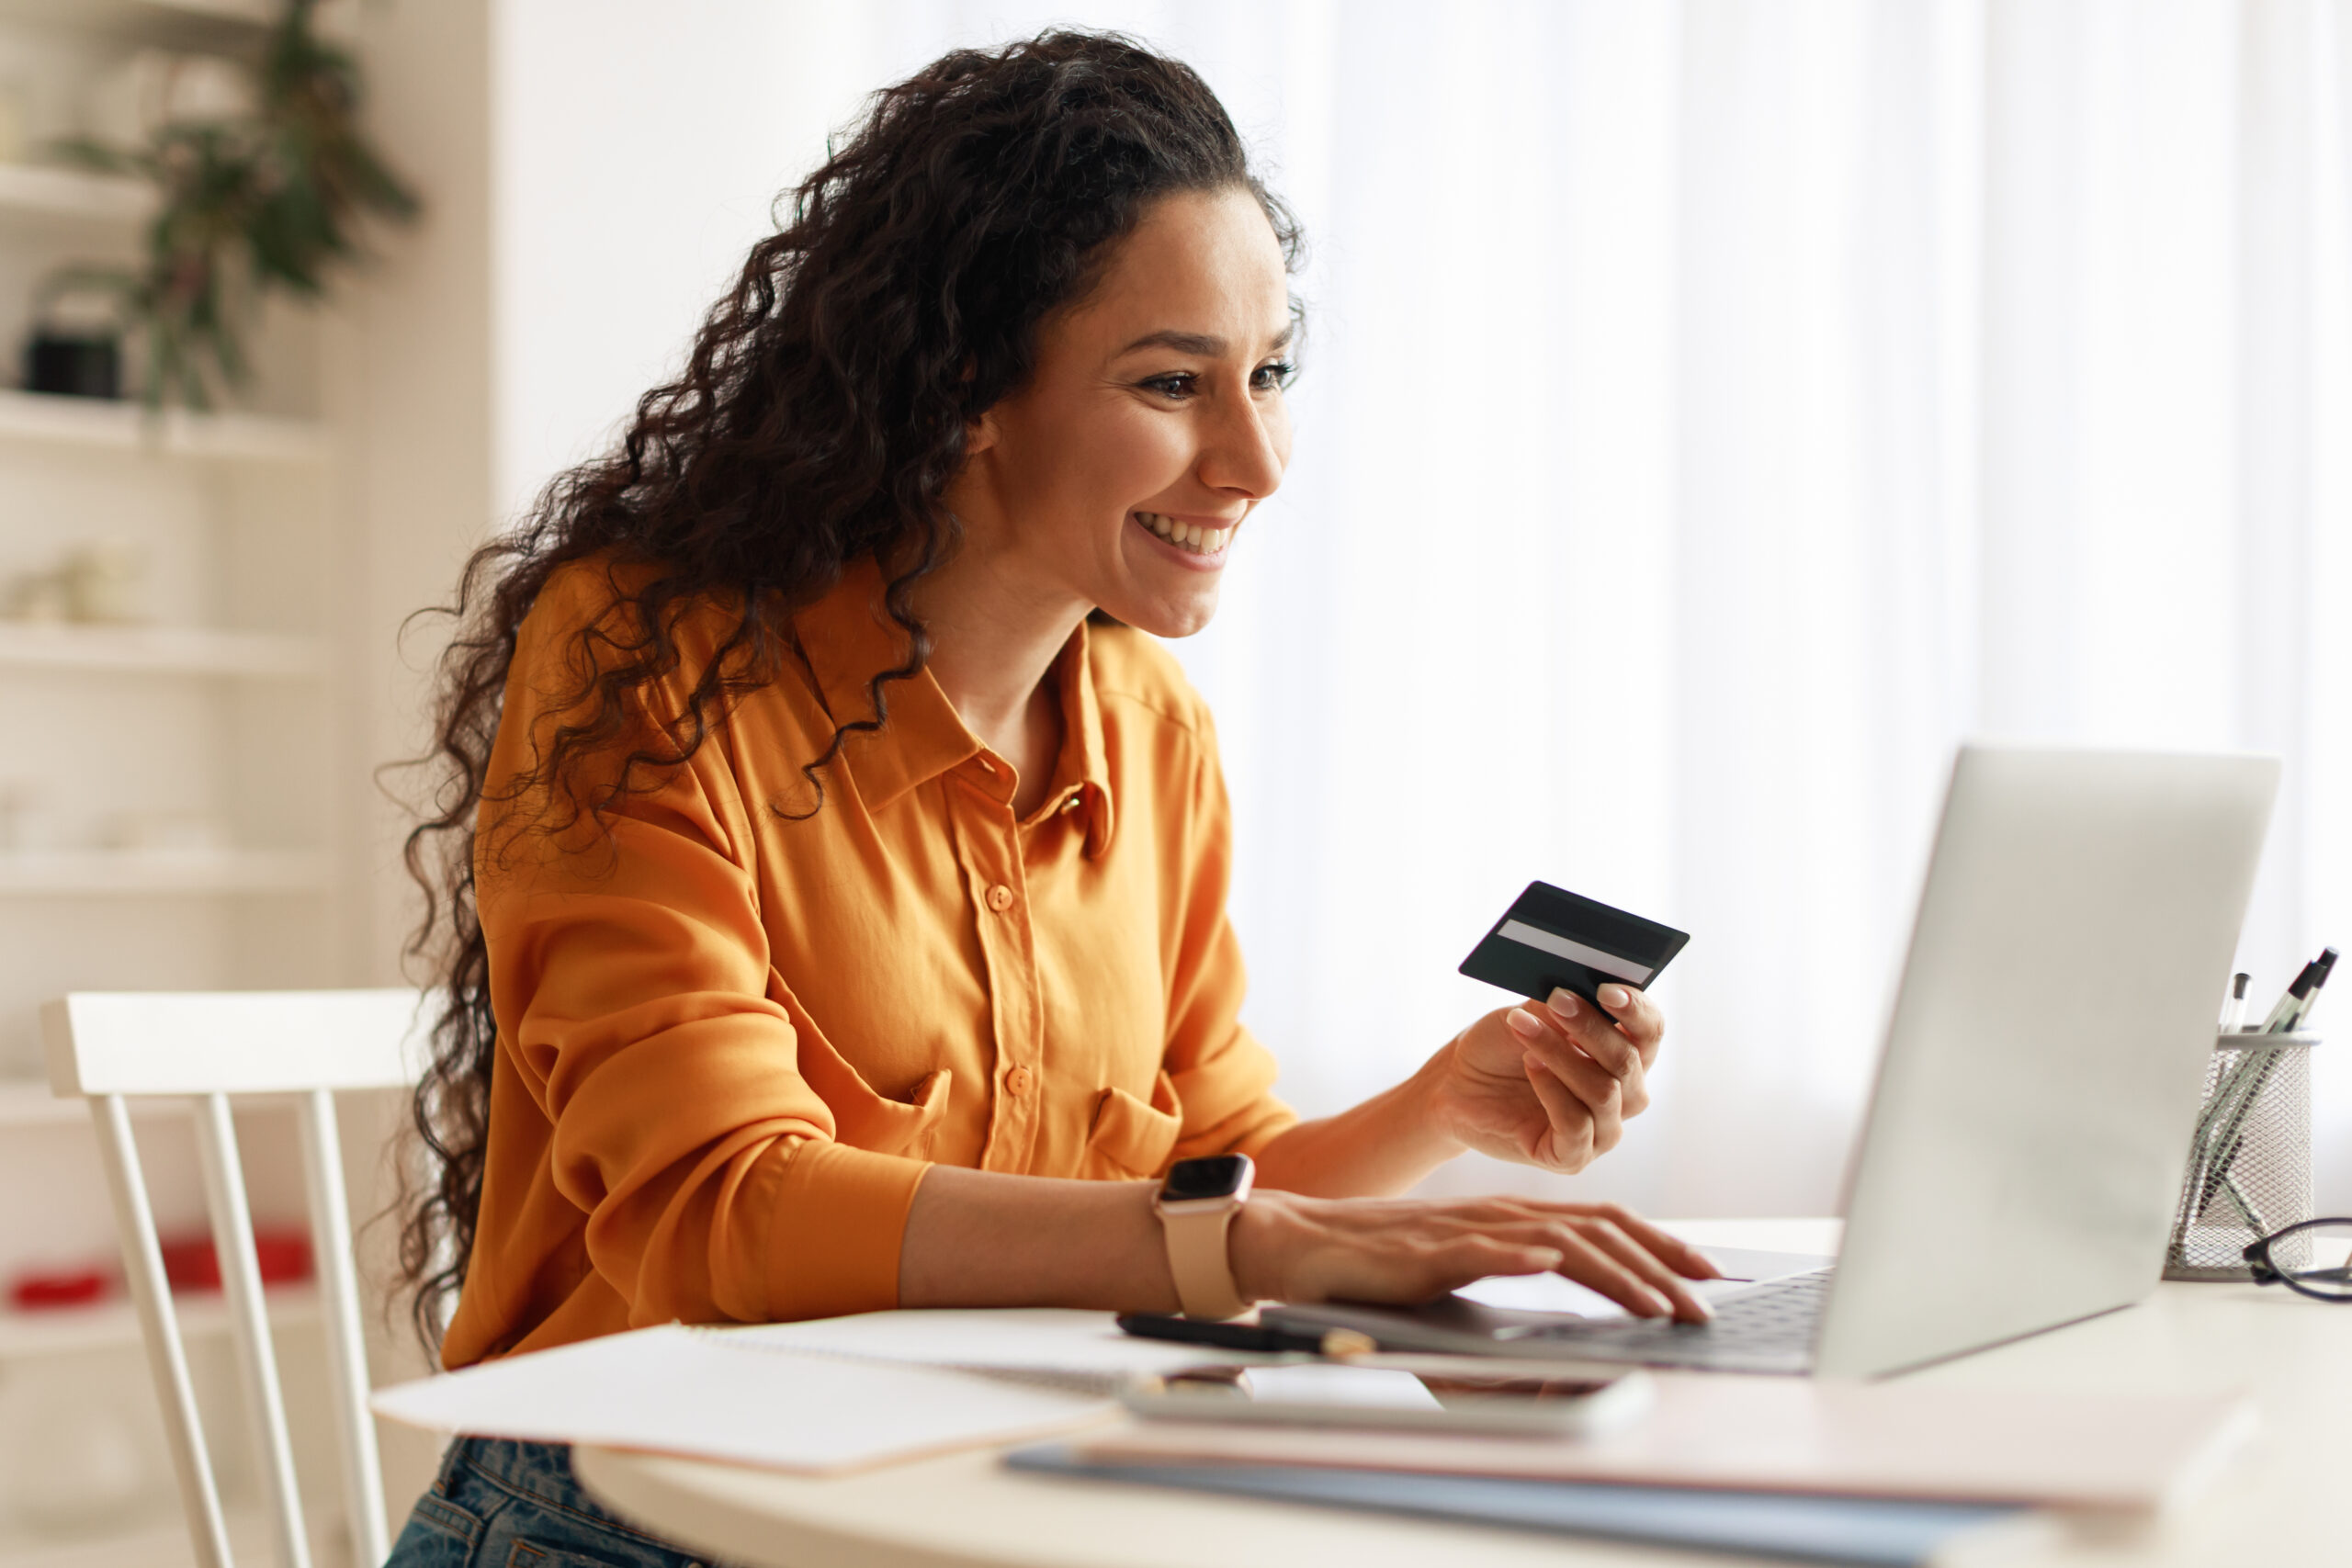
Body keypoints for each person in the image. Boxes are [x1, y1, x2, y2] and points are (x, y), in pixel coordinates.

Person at [384, 29, 1717, 1568]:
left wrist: (1441, 1110)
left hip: (979, 1497)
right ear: (967, 387)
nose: (1258, 460)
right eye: (1174, 383)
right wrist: (1242, 1240)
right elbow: (720, 1213)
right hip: (632, 1518)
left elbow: (1212, 1178)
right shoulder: (650, 667)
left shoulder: (1151, 730)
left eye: (1271, 375)